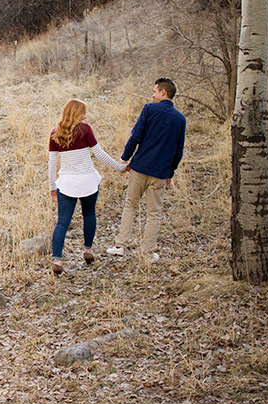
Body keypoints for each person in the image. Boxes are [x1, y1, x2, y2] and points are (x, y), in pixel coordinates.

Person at [106, 78, 186, 263]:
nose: (153, 94)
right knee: (154, 213)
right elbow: (178, 151)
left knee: (130, 205)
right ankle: (148, 254)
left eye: (155, 91)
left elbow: (136, 136)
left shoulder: (149, 109)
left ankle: (120, 246)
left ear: (163, 92)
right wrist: (170, 173)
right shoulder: (180, 119)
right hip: (160, 172)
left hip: (140, 167)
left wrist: (124, 158)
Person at [48, 99, 126, 275]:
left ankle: (57, 260)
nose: (85, 115)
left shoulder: (55, 134)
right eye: (83, 112)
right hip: (88, 181)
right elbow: (99, 154)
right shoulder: (85, 130)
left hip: (67, 183)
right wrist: (120, 167)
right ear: (76, 113)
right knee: (89, 214)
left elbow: (52, 163)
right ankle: (88, 251)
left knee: (62, 222)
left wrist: (52, 186)